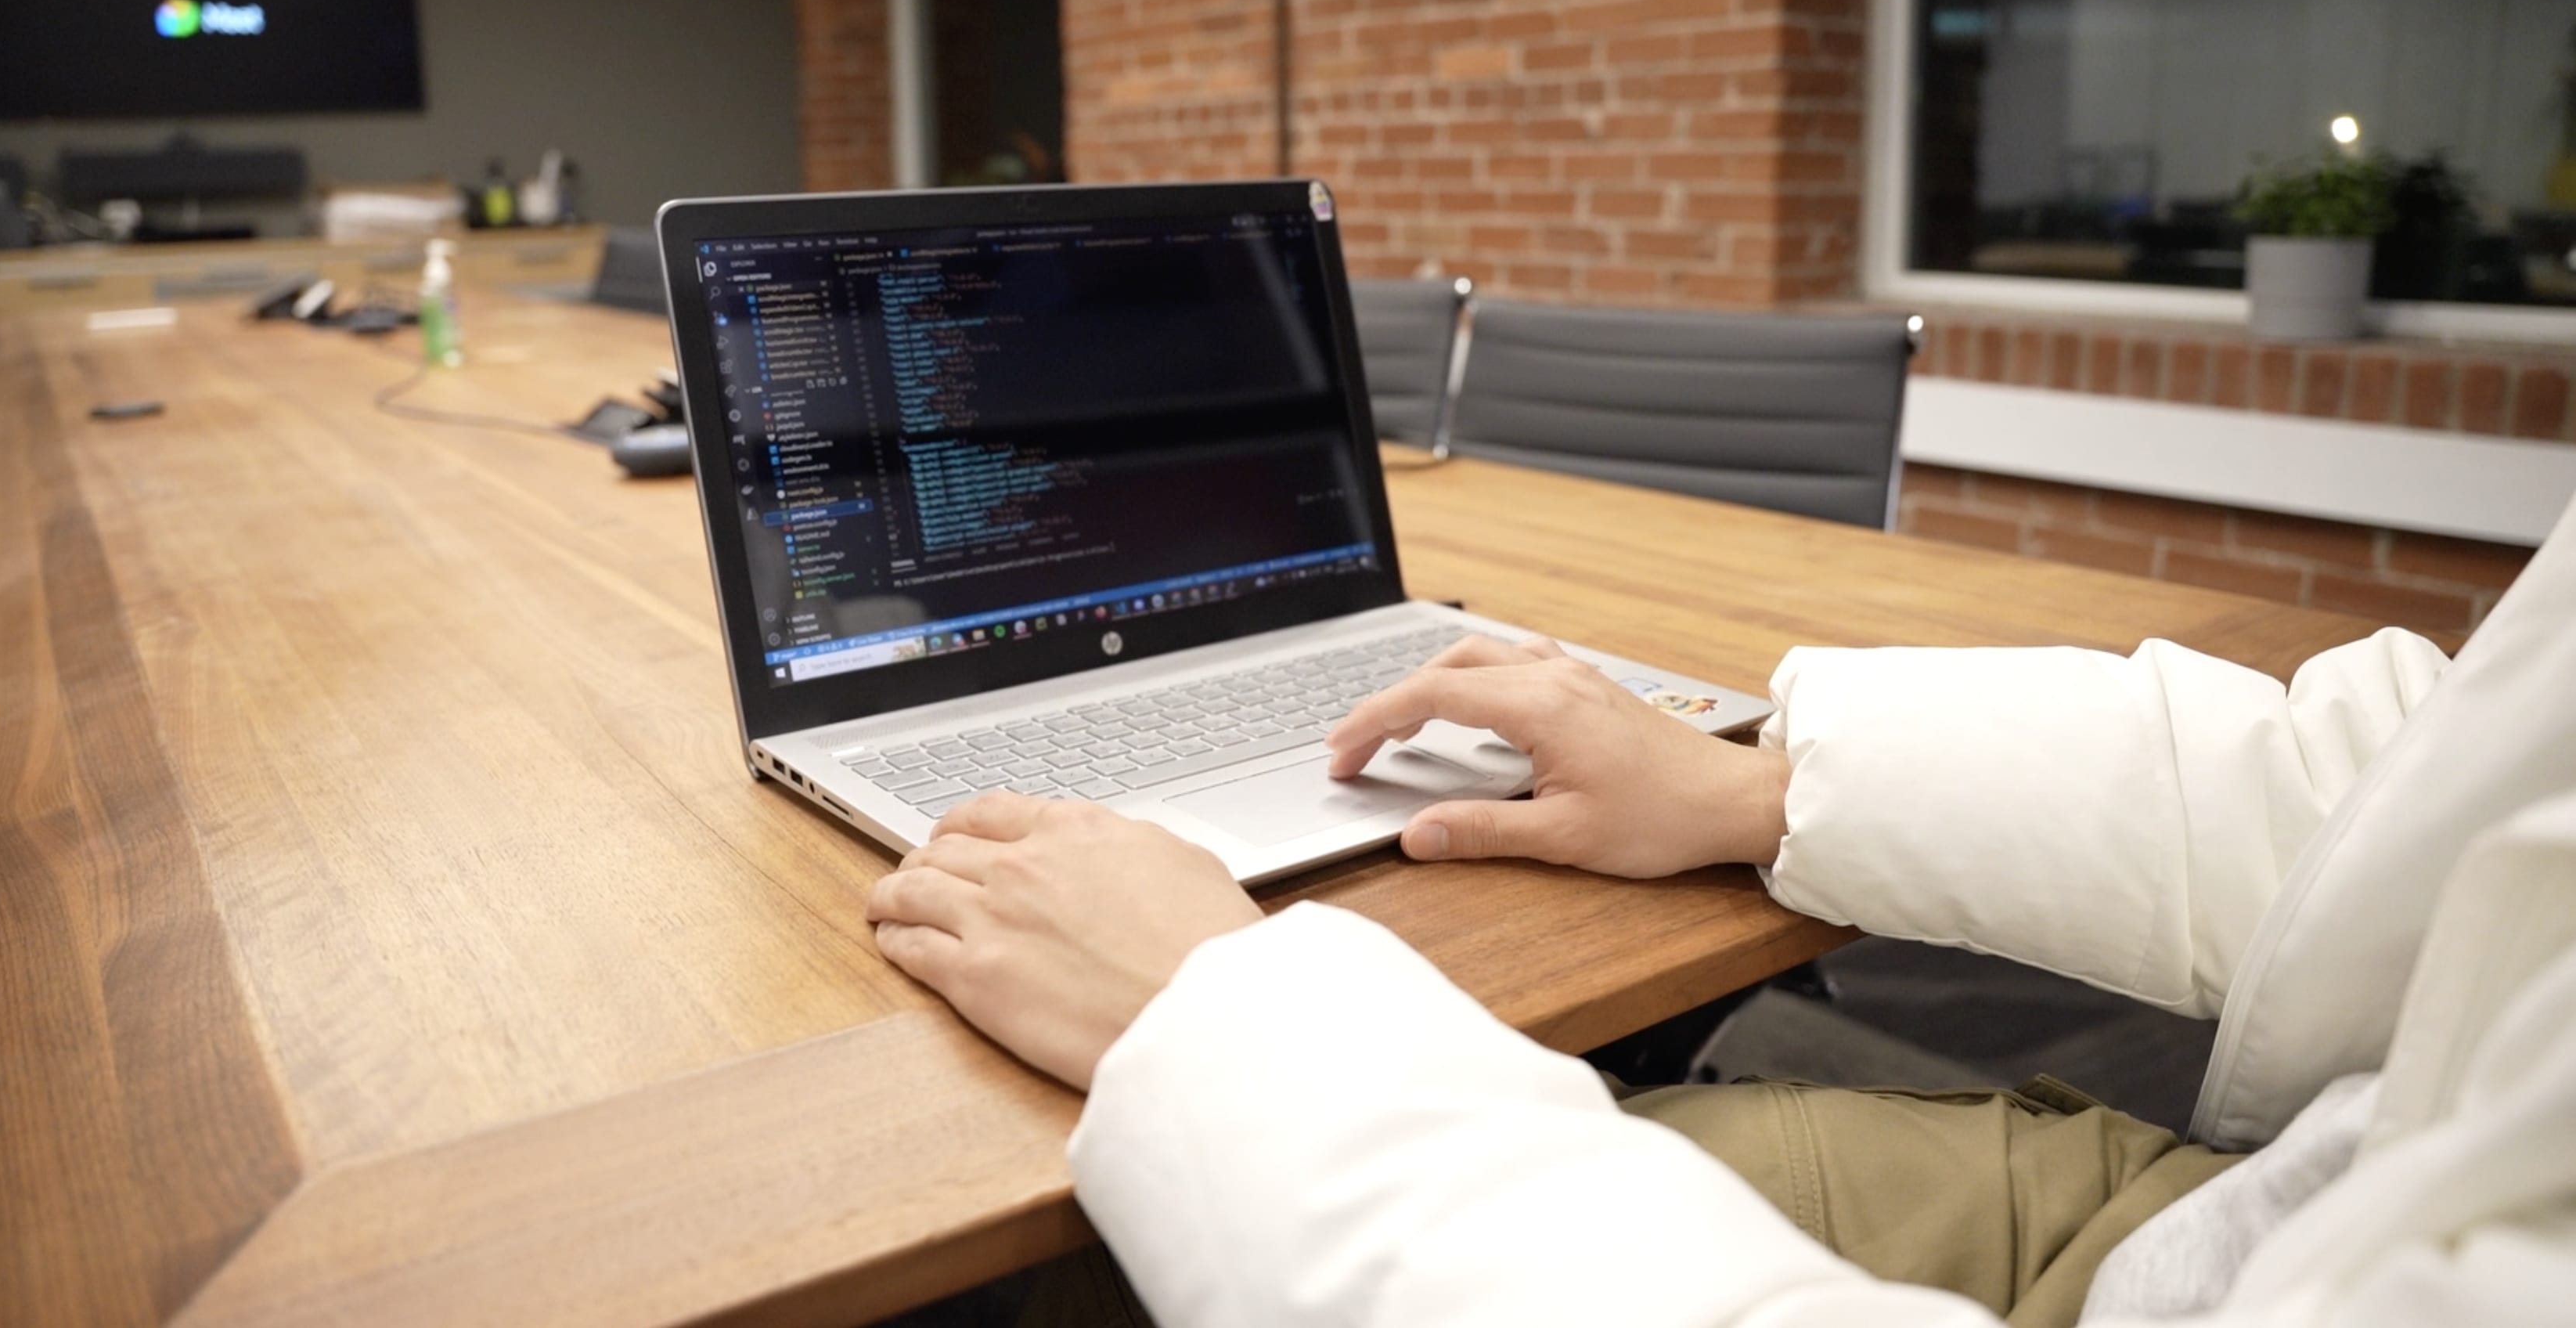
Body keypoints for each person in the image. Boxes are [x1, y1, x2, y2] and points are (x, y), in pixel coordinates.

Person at [865, 497, 2576, 1326]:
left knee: (1111, 1264)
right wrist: (1761, 793)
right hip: (2306, 1205)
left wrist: (1225, 1027)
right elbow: (2434, 799)